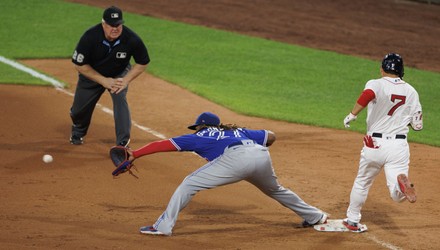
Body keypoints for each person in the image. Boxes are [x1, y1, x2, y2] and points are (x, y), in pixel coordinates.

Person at [126, 112, 328, 236]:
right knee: (276, 190)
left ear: (200, 126)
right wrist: (248, 138)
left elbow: (164, 144)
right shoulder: (239, 131)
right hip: (260, 154)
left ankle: (162, 227)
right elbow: (272, 137)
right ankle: (315, 216)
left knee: (189, 183)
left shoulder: (199, 135)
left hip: (235, 160)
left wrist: (135, 153)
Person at [342, 53, 423, 232]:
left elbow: (368, 94)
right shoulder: (411, 91)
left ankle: (352, 220)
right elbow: (418, 125)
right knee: (395, 194)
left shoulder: (376, 83)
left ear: (382, 69)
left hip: (374, 143)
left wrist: (352, 114)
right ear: (401, 71)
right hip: (399, 147)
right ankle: (401, 188)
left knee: (362, 182)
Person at [70, 6, 150, 146]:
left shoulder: (131, 38)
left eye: (118, 24)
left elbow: (142, 62)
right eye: (111, 25)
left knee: (119, 96)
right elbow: (79, 64)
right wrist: (103, 80)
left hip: (119, 73)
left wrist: (125, 80)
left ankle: (122, 143)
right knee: (78, 111)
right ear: (103, 24)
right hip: (92, 74)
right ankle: (78, 131)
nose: (115, 28)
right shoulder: (90, 37)